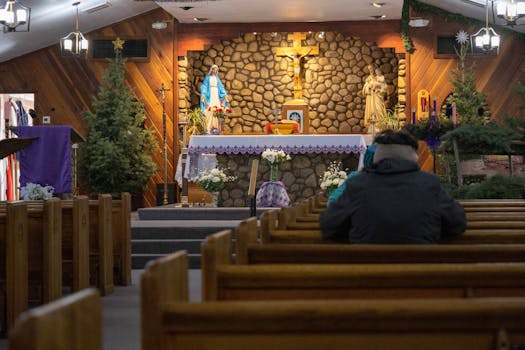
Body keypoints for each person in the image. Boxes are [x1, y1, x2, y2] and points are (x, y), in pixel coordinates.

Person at [320, 130, 466, 244]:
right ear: (412, 156)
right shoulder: (429, 184)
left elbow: (329, 224)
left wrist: (356, 232)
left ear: (378, 155)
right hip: (421, 275)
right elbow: (457, 222)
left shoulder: (358, 185)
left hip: (366, 275)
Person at [200, 64, 229, 133]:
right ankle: (208, 127)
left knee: (216, 110)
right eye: (214, 69)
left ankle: (216, 127)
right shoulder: (207, 78)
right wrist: (203, 94)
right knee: (209, 109)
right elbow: (204, 86)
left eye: (216, 70)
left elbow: (221, 87)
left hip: (216, 94)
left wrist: (225, 95)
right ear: (211, 70)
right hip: (209, 94)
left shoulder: (217, 79)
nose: (215, 71)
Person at [362, 65, 387, 133]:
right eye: (369, 69)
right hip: (370, 98)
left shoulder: (379, 77)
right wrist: (368, 87)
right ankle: (372, 126)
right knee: (371, 111)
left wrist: (379, 89)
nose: (370, 70)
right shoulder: (368, 78)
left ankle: (380, 126)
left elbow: (384, 87)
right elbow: (364, 90)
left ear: (374, 69)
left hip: (377, 96)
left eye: (371, 68)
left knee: (379, 109)